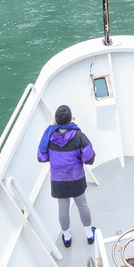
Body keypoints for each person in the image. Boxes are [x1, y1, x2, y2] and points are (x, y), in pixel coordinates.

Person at [37, 103, 96, 248]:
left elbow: (41, 157)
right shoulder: (79, 136)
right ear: (71, 119)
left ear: (55, 121)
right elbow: (89, 159)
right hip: (76, 178)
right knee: (82, 204)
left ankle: (67, 237)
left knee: (63, 207)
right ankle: (89, 234)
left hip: (58, 180)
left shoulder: (48, 136)